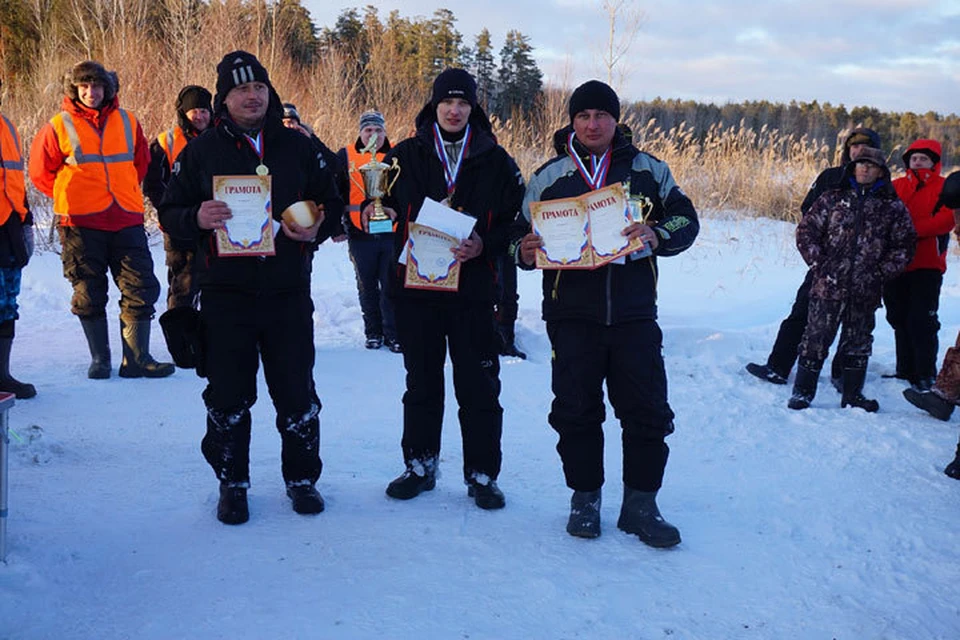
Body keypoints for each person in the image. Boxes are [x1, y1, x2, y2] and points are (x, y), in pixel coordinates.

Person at [158, 51, 343, 525]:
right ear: (224, 98)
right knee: (228, 396)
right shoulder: (200, 152)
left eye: (259, 87)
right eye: (241, 90)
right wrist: (194, 217)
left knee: (296, 392)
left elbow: (335, 199)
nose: (252, 95)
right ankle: (232, 484)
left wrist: (318, 227)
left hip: (286, 292)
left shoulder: (298, 145)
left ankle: (302, 480)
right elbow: (170, 211)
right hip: (226, 294)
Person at [517, 80, 699, 546]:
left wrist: (659, 233)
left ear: (616, 120)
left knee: (647, 410)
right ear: (572, 122)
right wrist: (523, 248)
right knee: (576, 410)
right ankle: (585, 498)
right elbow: (515, 235)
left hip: (635, 313)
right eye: (583, 116)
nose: (592, 124)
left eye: (601, 115)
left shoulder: (649, 170)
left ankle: (641, 504)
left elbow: (686, 218)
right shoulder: (549, 176)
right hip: (571, 314)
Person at [367, 68, 524, 510]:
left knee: (478, 385)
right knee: (421, 383)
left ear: (473, 109)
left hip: (473, 292)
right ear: (433, 107)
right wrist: (367, 211)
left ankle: (482, 474)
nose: (454, 110)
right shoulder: (403, 155)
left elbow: (518, 223)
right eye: (446, 103)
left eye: (463, 103)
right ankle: (419, 466)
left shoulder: (496, 160)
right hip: (416, 292)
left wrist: (485, 245)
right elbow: (380, 208)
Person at [29, 61, 174, 380]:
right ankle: (100, 359)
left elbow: (141, 163)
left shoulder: (128, 121)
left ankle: (136, 359)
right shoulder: (58, 125)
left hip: (125, 216)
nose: (91, 93)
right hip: (80, 221)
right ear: (75, 90)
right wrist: (73, 193)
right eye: (84, 87)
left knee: (140, 285)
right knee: (88, 289)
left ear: (107, 88)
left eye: (96, 86)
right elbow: (40, 173)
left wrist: (120, 189)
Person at [746, 128, 882, 388]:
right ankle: (778, 366)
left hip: (863, 270)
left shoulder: (882, 185)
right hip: (827, 264)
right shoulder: (831, 177)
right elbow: (808, 212)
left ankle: (843, 376)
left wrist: (878, 266)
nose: (858, 153)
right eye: (853, 147)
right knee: (802, 312)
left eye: (865, 148)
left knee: (855, 323)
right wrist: (819, 255)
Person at [788, 147, 915, 412]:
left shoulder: (891, 206)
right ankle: (802, 392)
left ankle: (853, 395)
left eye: (871, 165)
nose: (865, 169)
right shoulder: (832, 198)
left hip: (865, 289)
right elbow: (806, 231)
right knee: (815, 338)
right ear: (852, 168)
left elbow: (904, 245)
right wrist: (819, 264)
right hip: (827, 285)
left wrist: (881, 272)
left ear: (881, 171)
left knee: (858, 343)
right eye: (860, 164)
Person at [882, 139, 954, 391]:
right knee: (898, 317)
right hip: (895, 264)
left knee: (921, 320)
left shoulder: (945, 187)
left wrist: (909, 231)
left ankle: (925, 373)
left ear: (934, 162)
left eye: (923, 158)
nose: (918, 162)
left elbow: (947, 220)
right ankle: (905, 369)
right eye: (914, 158)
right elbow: (882, 214)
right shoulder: (895, 186)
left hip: (927, 264)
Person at [337, 110, 401, 352]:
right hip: (358, 231)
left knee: (391, 285)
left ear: (385, 132)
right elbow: (335, 190)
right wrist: (336, 226)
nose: (373, 135)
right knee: (366, 285)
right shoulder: (346, 155)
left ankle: (393, 333)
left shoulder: (397, 154)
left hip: (391, 232)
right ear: (360, 133)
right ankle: (373, 331)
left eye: (378, 130)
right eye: (368, 130)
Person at [143, 85, 213, 311]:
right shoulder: (166, 142)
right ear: (184, 113)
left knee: (216, 284)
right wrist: (170, 212)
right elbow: (152, 184)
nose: (200, 116)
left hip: (217, 223)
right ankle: (181, 341)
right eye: (195, 111)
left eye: (204, 111)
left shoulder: (221, 139)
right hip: (180, 225)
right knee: (184, 285)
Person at [0, 77, 36, 399]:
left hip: (7, 228)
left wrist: (27, 220)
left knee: (6, 304)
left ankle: (2, 376)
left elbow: (15, 179)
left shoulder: (7, 127)